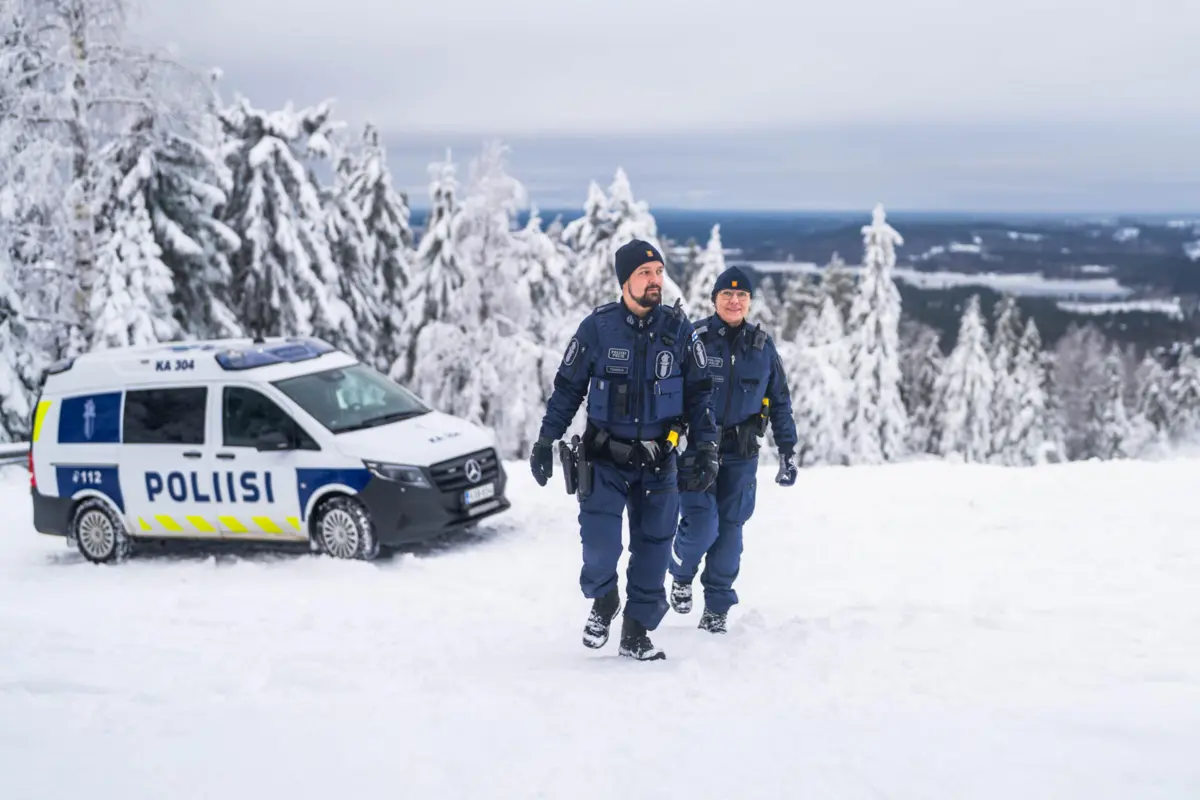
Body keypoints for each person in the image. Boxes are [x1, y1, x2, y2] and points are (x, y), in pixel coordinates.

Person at [529, 238, 719, 661]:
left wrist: (706, 448)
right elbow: (567, 389)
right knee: (600, 550)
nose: (655, 281)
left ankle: (636, 632)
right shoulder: (597, 329)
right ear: (624, 281)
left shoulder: (679, 330)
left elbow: (700, 396)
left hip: (659, 461)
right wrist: (546, 439)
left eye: (657, 273)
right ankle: (604, 600)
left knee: (653, 549)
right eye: (644, 274)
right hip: (603, 460)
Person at [668, 266, 798, 633]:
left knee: (730, 533)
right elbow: (669, 392)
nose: (735, 301)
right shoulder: (695, 338)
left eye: (742, 295)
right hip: (696, 451)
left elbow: (781, 401)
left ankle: (717, 608)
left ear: (750, 302)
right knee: (701, 526)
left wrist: (787, 450)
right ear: (714, 300)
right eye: (727, 294)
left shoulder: (762, 347)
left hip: (741, 455)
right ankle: (680, 574)